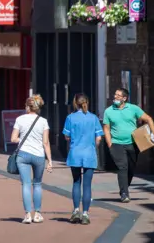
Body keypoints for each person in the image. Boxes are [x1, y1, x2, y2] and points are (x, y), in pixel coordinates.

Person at [103, 87, 154, 203]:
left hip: (133, 143)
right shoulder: (108, 111)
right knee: (122, 167)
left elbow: (148, 119)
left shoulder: (133, 109)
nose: (115, 97)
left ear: (124, 98)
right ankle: (124, 193)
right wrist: (110, 144)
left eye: (118, 95)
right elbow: (106, 128)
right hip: (116, 144)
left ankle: (124, 187)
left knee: (131, 168)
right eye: (115, 95)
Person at [10, 94, 53, 224]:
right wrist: (50, 160)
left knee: (26, 184)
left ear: (28, 107)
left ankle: (27, 214)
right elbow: (45, 142)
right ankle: (38, 214)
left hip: (23, 155)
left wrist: (23, 140)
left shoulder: (20, 119)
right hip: (39, 155)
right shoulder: (43, 121)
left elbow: (13, 138)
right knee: (38, 184)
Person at [63, 93, 104, 225]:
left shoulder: (70, 118)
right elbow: (98, 138)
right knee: (87, 185)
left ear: (75, 103)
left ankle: (76, 211)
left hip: (75, 153)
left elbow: (67, 137)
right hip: (89, 154)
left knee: (76, 182)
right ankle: (85, 213)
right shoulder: (93, 118)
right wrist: (92, 146)